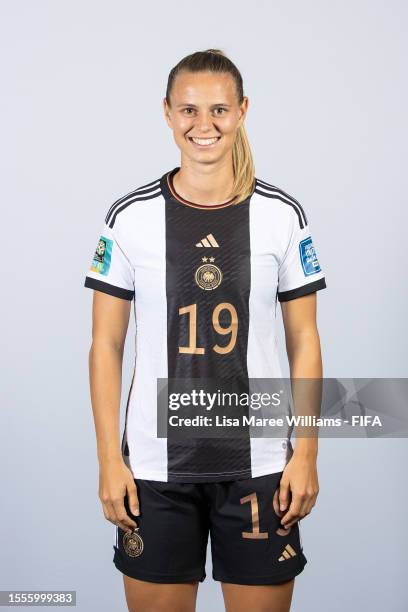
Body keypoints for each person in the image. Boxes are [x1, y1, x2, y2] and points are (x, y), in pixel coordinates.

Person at [84, 48, 326, 612]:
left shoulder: (282, 215)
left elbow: (305, 341)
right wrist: (108, 462)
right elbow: (105, 345)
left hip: (262, 466)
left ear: (242, 111)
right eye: (189, 110)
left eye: (219, 109)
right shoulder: (130, 217)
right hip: (154, 467)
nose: (204, 125)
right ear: (167, 113)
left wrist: (307, 452)